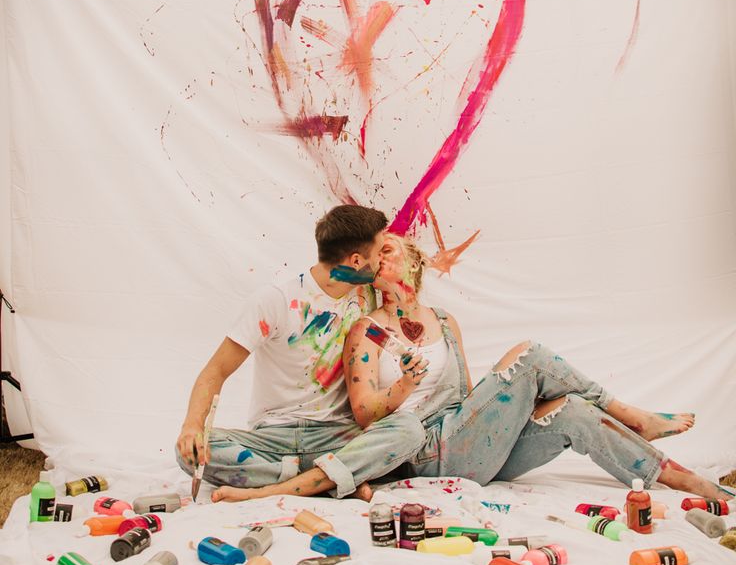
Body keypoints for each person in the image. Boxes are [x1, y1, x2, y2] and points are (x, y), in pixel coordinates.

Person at [211, 233, 734, 505]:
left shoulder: (445, 321)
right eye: (374, 256)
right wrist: (406, 389)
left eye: (389, 252)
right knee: (531, 355)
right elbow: (369, 418)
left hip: (470, 443)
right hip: (425, 452)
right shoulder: (365, 330)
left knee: (571, 411)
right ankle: (631, 413)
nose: (379, 261)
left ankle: (677, 477)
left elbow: (463, 396)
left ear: (413, 263)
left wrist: (514, 411)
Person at [176, 206, 426, 497]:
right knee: (189, 453)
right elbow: (215, 372)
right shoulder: (276, 299)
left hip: (336, 436)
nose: (382, 261)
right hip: (272, 438)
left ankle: (276, 487)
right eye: (378, 253)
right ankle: (327, 480)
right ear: (356, 261)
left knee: (409, 429)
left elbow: (406, 298)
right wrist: (192, 427)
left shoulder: (367, 296)